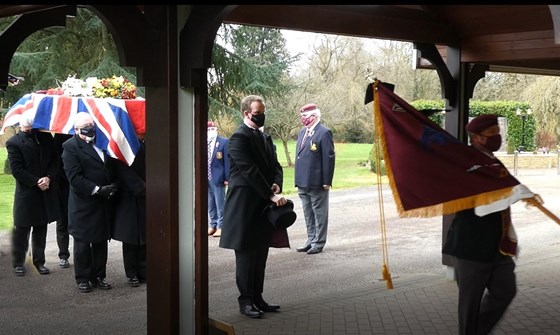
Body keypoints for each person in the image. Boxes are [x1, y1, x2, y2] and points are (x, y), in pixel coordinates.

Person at [443, 114, 517, 335]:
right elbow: (474, 201)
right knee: (470, 306)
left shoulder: (493, 161)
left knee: (505, 291)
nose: (497, 137)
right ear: (476, 137)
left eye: (497, 131)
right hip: (471, 247)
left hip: (498, 247)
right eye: (492, 133)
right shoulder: (466, 163)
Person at [219, 95, 289, 319]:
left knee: (261, 254)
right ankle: (246, 301)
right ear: (246, 113)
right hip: (244, 207)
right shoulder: (238, 138)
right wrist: (270, 194)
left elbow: (275, 165)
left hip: (262, 206)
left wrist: (277, 183)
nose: (262, 115)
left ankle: (258, 297)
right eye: (258, 112)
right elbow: (249, 171)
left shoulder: (265, 137)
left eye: (263, 110)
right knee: (247, 256)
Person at [62, 112, 117, 293]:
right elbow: (75, 178)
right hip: (84, 203)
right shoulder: (70, 147)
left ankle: (99, 276)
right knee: (83, 243)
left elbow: (108, 166)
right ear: (77, 129)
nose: (90, 129)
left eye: (91, 125)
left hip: (103, 202)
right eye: (85, 126)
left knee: (100, 242)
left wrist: (111, 185)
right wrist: (97, 189)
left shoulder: (100, 142)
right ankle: (83, 278)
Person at [6, 115, 61, 276]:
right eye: (27, 127)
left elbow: (54, 160)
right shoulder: (14, 143)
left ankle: (39, 261)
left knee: (40, 229)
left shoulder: (45, 137)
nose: (30, 129)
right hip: (27, 192)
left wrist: (49, 177)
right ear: (21, 126)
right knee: (22, 229)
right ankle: (19, 263)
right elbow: (16, 169)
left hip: (45, 189)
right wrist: (37, 181)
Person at [294, 103, 335, 255]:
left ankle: (319, 242)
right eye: (301, 116)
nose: (302, 119)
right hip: (303, 181)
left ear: (314, 116)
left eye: (305, 116)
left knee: (319, 213)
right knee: (308, 213)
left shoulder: (324, 133)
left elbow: (328, 158)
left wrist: (326, 181)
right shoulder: (302, 132)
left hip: (317, 182)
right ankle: (311, 239)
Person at [112, 135, 147, 287]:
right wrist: (140, 187)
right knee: (130, 238)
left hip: (146, 196)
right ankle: (131, 273)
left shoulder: (146, 143)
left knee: (145, 236)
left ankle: (144, 271)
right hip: (128, 196)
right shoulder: (123, 141)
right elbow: (121, 168)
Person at [207, 121, 230, 238]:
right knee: (210, 203)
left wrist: (227, 177)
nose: (211, 131)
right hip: (206, 178)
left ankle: (221, 226)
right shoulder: (203, 143)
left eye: (213, 129)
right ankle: (213, 224)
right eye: (209, 129)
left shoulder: (223, 142)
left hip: (218, 177)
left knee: (220, 202)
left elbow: (227, 161)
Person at [53, 133, 73, 269]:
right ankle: (64, 255)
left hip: (77, 184)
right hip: (63, 185)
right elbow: (55, 161)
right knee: (62, 222)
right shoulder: (60, 136)